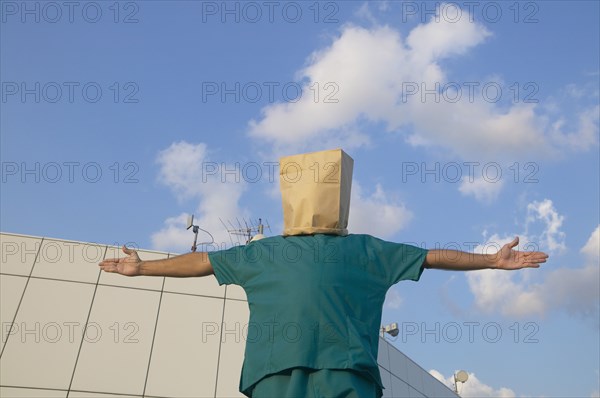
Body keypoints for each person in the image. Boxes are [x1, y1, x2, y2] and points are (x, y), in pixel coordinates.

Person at [99, 149, 548, 398]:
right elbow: (433, 256)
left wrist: (144, 269)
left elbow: (203, 263)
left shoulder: (270, 253)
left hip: (290, 375)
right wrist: (488, 259)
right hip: (334, 377)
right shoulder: (367, 250)